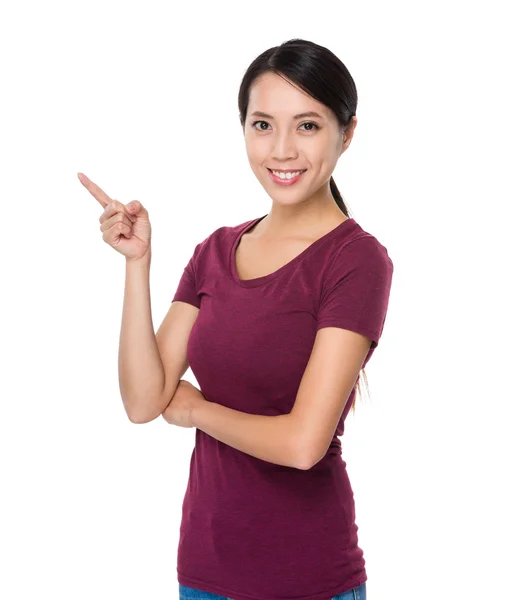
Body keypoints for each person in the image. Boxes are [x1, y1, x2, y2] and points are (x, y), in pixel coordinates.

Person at [79, 37, 392, 600]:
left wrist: (199, 409)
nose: (282, 150)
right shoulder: (216, 251)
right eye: (263, 125)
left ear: (347, 133)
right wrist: (138, 265)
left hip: (306, 578)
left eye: (308, 126)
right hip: (203, 571)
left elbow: (303, 444)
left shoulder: (355, 260)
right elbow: (143, 402)